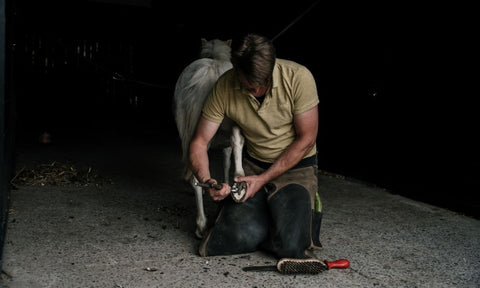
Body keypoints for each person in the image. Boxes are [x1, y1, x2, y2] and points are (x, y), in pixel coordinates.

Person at [188, 33, 324, 273]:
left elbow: (307, 139)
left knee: (292, 248)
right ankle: (269, 218)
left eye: (263, 84)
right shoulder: (225, 85)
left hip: (296, 166)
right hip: (254, 166)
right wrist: (208, 179)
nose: (257, 91)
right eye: (249, 86)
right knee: (228, 239)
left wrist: (262, 180)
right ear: (235, 70)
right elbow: (199, 142)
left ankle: (286, 216)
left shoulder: (299, 77)